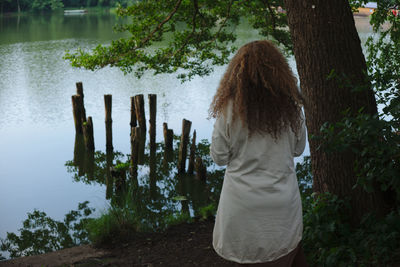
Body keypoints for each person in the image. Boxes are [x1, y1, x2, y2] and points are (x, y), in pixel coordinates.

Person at [209, 40, 308, 266]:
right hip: (282, 205)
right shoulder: (292, 107)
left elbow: (219, 157)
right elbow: (298, 149)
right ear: (279, 71)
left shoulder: (229, 109)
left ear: (237, 73)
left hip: (242, 207)